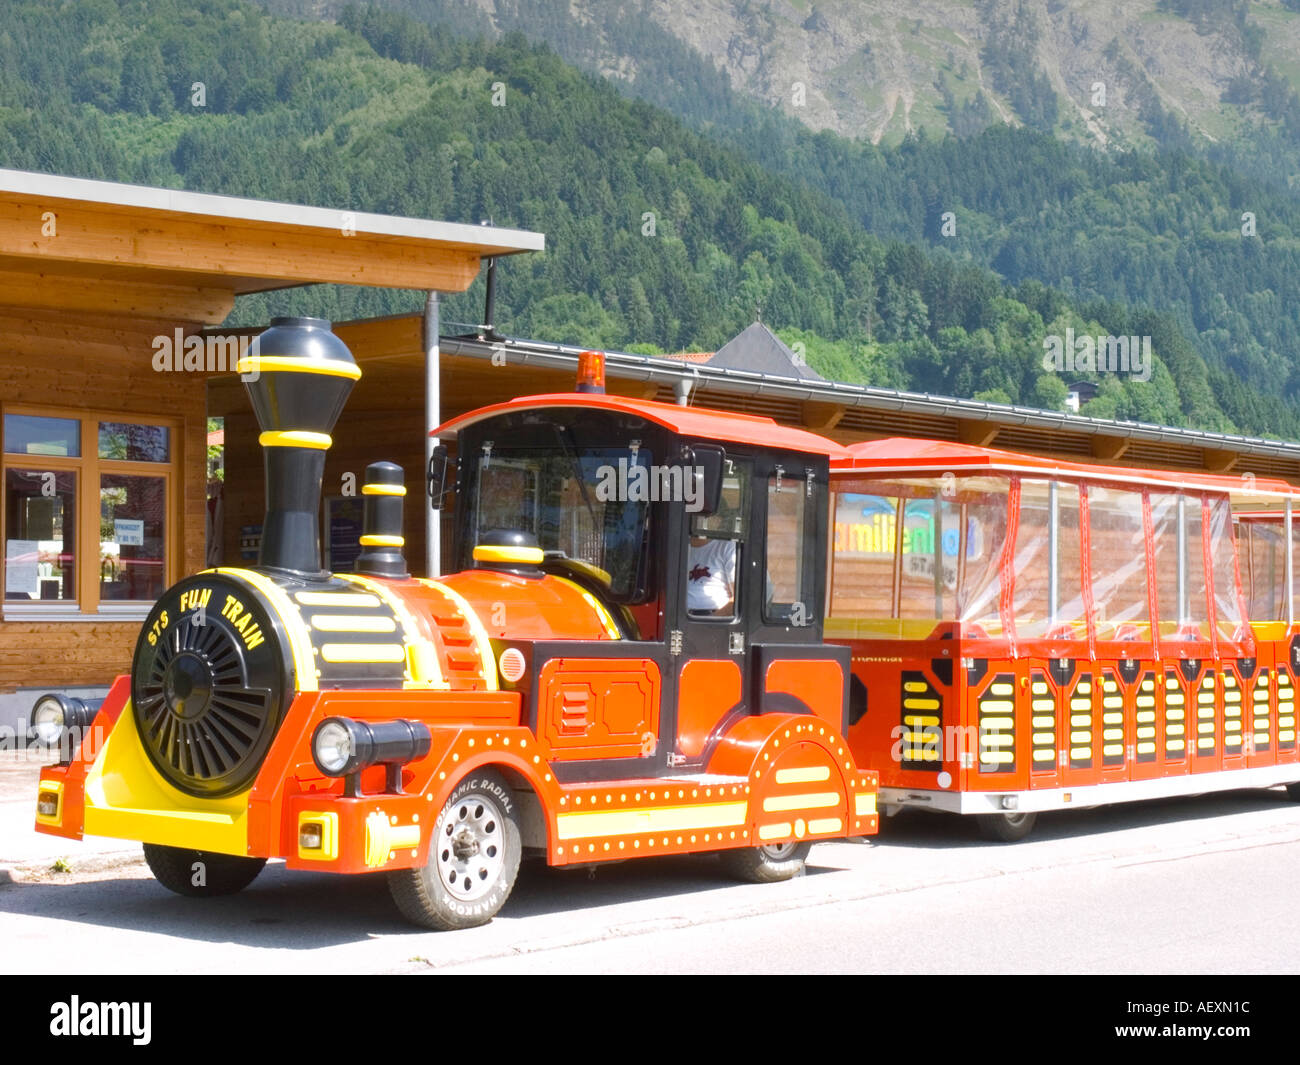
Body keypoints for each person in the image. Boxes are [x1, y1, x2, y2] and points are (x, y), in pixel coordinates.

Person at [686, 533, 736, 615]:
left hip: (715, 618)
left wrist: (711, 622)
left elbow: (739, 599)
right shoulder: (676, 546)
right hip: (677, 616)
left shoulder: (726, 545)